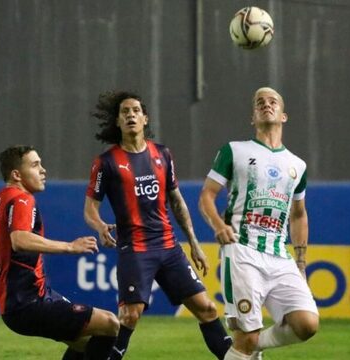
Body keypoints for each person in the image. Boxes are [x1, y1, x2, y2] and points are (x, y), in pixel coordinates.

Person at [84, 91, 232, 359]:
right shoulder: (106, 162)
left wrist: (194, 244)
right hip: (136, 249)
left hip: (168, 247)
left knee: (208, 308)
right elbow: (90, 209)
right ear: (117, 121)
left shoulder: (162, 155)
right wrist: (100, 225)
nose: (130, 115)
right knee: (130, 315)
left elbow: (176, 201)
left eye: (135, 111)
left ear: (145, 118)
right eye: (124, 112)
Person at [0, 145, 119, 360]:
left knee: (87, 345)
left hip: (17, 306)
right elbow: (20, 240)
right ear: (17, 174)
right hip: (30, 303)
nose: (43, 170)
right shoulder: (21, 199)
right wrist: (70, 246)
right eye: (35, 165)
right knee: (110, 323)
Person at [198, 87, 320, 360]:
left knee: (307, 324)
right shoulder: (235, 151)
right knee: (245, 337)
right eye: (259, 103)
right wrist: (218, 225)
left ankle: (253, 346)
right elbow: (206, 195)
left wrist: (300, 263)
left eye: (273, 101)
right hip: (242, 251)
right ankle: (248, 345)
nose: (266, 104)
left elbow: (299, 215)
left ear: (284, 115)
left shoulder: (297, 165)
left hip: (279, 256)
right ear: (253, 117)